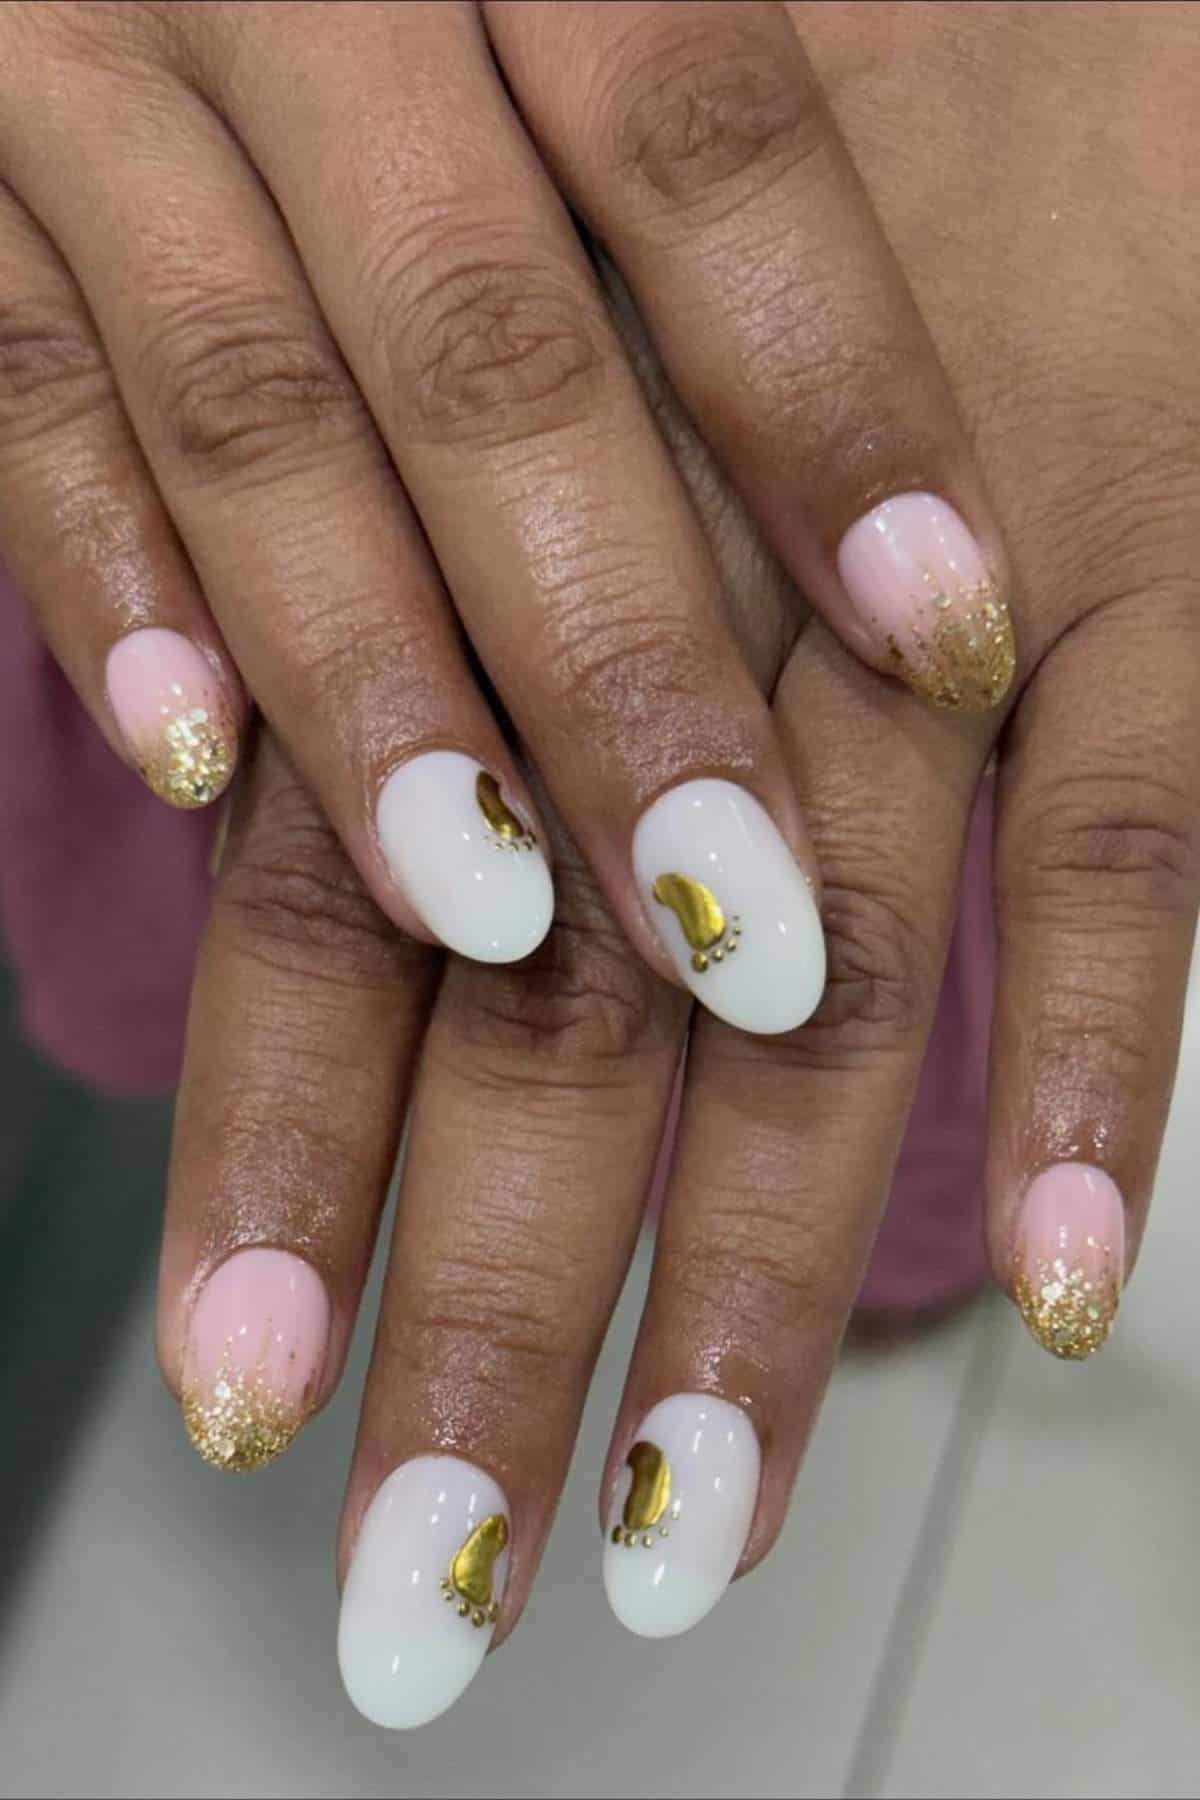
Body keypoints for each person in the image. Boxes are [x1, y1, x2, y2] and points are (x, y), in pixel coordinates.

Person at [0, 0, 1195, 1732]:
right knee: (260, 818)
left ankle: (888, 1279)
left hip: (1025, 252)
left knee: (869, 992)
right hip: (201, 203)